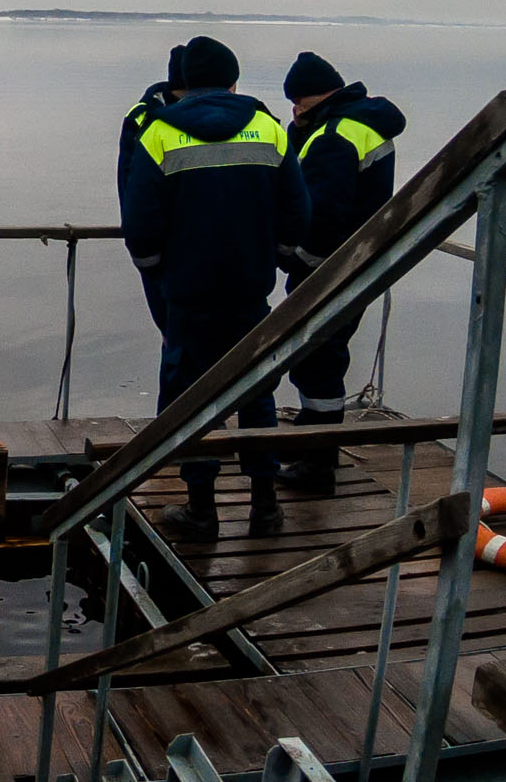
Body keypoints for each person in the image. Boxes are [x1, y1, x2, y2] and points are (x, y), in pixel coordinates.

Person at [120, 35, 309, 539]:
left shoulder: (158, 132)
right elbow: (297, 208)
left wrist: (158, 274)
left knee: (191, 397)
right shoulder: (268, 126)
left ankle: (201, 508)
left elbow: (140, 222)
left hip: (188, 292)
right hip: (250, 288)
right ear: (232, 79)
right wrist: (280, 257)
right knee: (256, 390)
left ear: (183, 83)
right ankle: (265, 506)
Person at [276, 51, 407, 492]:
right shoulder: (363, 123)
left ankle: (318, 465)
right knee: (322, 355)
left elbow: (325, 216)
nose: (294, 113)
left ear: (317, 97)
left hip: (331, 270)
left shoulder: (333, 135)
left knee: (317, 360)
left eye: (299, 103)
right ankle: (314, 436)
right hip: (359, 260)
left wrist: (298, 261)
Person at [117, 47, 185, 324]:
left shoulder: (143, 118)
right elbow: (130, 188)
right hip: (163, 248)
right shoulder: (144, 119)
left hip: (176, 248)